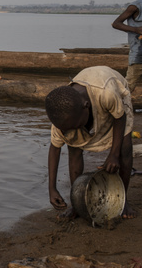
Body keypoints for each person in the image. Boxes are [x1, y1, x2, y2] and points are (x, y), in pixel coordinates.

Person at [45, 66, 136, 220]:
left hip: (116, 91)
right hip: (88, 104)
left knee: (124, 147)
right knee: (73, 148)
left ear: (86, 107)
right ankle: (76, 203)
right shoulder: (63, 116)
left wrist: (113, 155)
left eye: (75, 125)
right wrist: (52, 188)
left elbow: (120, 118)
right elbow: (55, 149)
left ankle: (124, 200)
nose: (72, 131)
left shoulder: (106, 93)